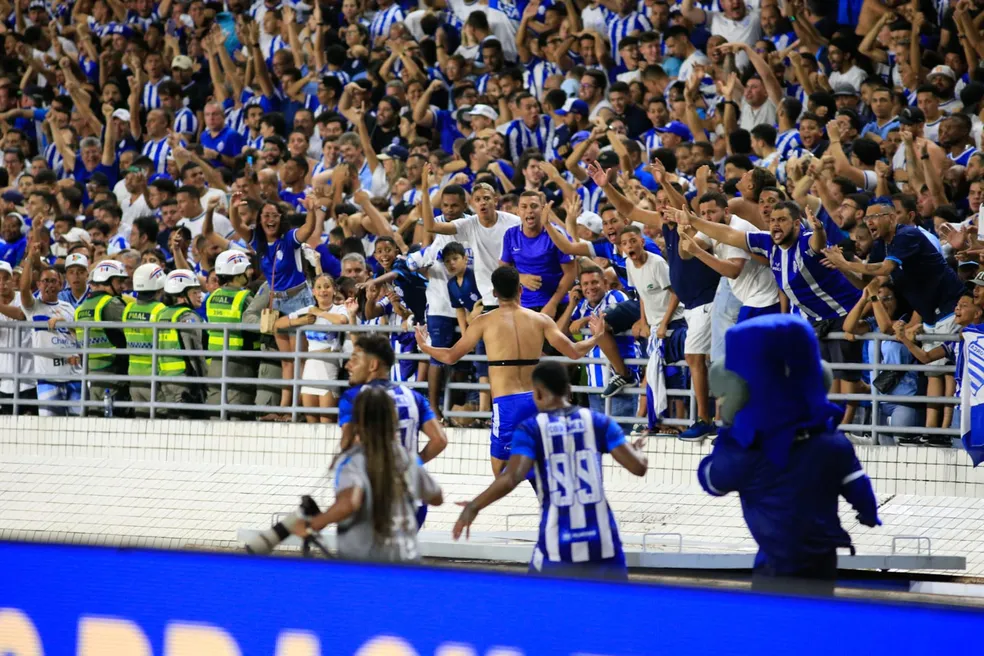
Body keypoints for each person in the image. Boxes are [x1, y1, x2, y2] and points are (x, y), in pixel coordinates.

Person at [698, 314, 880, 594]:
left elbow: (712, 481)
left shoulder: (748, 451)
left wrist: (728, 432)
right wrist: (867, 512)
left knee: (775, 628)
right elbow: (856, 483)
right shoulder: (831, 442)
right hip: (823, 559)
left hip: (775, 565)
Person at [452, 361, 647, 579]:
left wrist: (474, 506)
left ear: (537, 394)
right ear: (569, 390)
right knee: (611, 608)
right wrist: (637, 452)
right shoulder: (598, 421)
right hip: (602, 542)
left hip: (556, 543)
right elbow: (638, 468)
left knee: (540, 608)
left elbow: (511, 477)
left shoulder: (531, 429)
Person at [417, 265, 608, 475]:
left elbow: (451, 356)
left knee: (499, 468)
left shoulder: (484, 322)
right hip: (537, 400)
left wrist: (426, 346)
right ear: (520, 290)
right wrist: (596, 337)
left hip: (506, 402)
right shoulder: (541, 320)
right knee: (541, 462)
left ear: (494, 293)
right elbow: (573, 352)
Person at [293, 386, 443, 562]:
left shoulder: (358, 460)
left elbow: (350, 502)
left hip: (366, 557)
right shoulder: (407, 458)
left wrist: (315, 523)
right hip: (404, 558)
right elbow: (436, 497)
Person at [337, 334, 447, 525]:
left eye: (354, 359)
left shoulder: (354, 397)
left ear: (372, 366)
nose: (348, 365)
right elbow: (440, 440)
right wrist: (414, 462)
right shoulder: (414, 397)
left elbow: (351, 443)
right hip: (412, 499)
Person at [0, 243, 80, 416]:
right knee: (47, 431)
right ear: (39, 284)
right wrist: (29, 258)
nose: (49, 285)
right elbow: (23, 288)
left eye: (53, 281)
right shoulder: (32, 307)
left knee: (77, 427)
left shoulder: (69, 308)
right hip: (47, 380)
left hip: (73, 376)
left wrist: (64, 324)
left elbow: (77, 336)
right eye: (45, 281)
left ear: (60, 285)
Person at [277, 274, 349, 423]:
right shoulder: (308, 309)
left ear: (334, 290)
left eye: (327, 287)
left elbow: (342, 321)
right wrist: (301, 320)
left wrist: (319, 313)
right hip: (310, 368)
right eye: (319, 287)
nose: (323, 291)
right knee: (311, 423)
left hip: (329, 366)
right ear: (313, 291)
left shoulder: (339, 308)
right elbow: (278, 324)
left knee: (327, 421)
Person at [205, 250, 257, 418]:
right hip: (239, 362)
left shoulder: (212, 296)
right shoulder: (245, 297)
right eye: (246, 270)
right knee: (238, 415)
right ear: (238, 273)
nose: (250, 272)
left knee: (214, 412)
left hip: (215, 361)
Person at [74, 259, 130, 414]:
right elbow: (132, 331)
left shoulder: (81, 308)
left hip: (91, 371)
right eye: (119, 281)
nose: (122, 286)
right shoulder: (112, 303)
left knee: (95, 418)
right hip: (113, 372)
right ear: (107, 281)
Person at [158, 269, 207, 416]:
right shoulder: (187, 316)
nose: (200, 296)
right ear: (181, 295)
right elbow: (196, 353)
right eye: (194, 292)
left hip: (165, 378)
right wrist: (205, 380)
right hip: (184, 381)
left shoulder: (163, 313)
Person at [122, 263, 167, 416]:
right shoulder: (160, 310)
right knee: (161, 422)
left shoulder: (128, 309)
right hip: (154, 378)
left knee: (141, 426)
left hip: (134, 377)